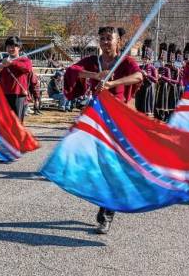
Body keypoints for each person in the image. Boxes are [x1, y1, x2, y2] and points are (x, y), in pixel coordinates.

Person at [64, 26, 143, 235]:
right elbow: (72, 71)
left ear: (118, 41)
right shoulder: (94, 61)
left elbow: (138, 77)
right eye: (103, 39)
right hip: (96, 117)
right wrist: (96, 75)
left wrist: (112, 83)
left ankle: (106, 215)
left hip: (117, 119)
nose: (106, 42)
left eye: (110, 38)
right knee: (95, 165)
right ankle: (104, 202)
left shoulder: (125, 61)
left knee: (111, 167)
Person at [0, 36, 33, 122]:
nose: (10, 49)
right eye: (8, 46)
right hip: (4, 95)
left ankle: (18, 136)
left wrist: (12, 63)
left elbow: (27, 69)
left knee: (17, 122)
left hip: (18, 95)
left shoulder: (25, 60)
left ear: (19, 47)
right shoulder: (3, 61)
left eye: (13, 46)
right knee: (5, 121)